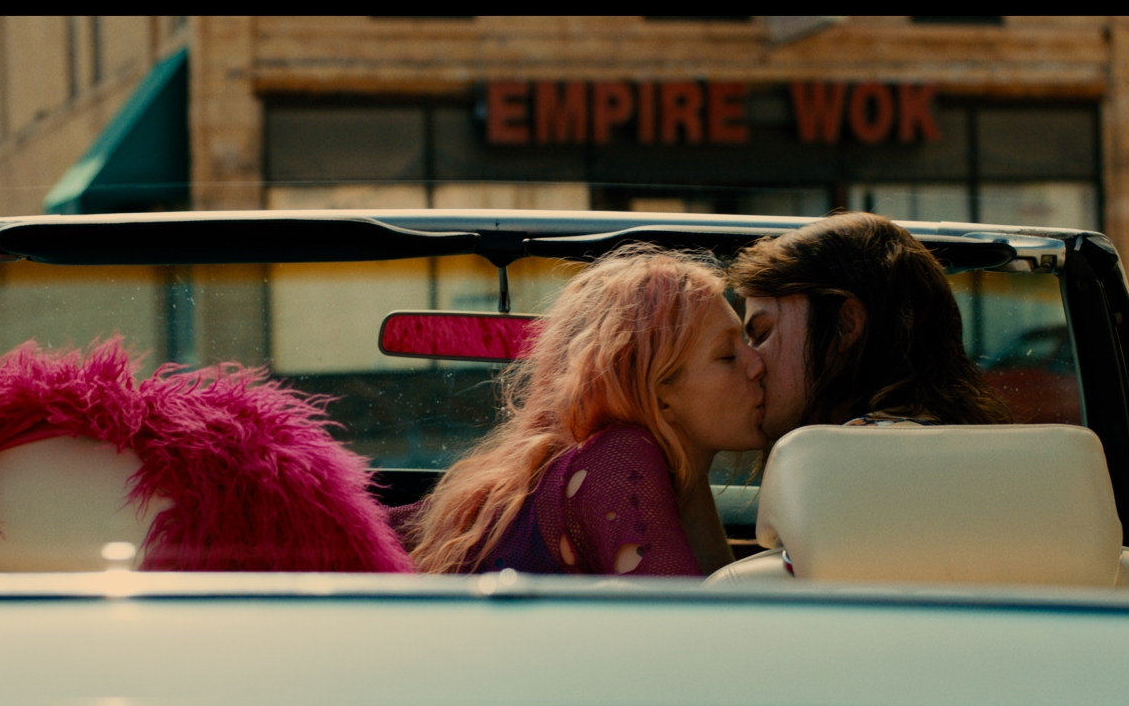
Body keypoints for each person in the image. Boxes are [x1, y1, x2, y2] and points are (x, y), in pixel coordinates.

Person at [404, 246, 766, 576]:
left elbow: (719, 601)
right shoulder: (621, 454)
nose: (757, 364)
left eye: (750, 341)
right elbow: (688, 620)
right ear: (656, 394)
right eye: (728, 355)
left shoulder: (675, 470)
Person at [731, 212, 1012, 440]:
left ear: (845, 324)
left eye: (763, 333)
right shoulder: (967, 436)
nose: (750, 363)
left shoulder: (845, 452)